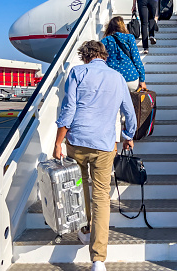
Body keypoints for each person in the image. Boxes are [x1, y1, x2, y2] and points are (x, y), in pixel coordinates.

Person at [54, 40, 136, 271]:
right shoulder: (117, 78)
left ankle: (86, 229)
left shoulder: (77, 73)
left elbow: (68, 108)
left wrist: (58, 141)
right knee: (101, 197)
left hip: (77, 142)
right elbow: (129, 112)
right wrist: (128, 136)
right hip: (103, 145)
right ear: (103, 55)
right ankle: (98, 260)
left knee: (80, 188)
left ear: (85, 56)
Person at [101, 16, 146, 92]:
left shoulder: (105, 41)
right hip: (131, 78)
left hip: (113, 80)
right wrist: (142, 80)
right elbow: (137, 60)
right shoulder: (129, 37)